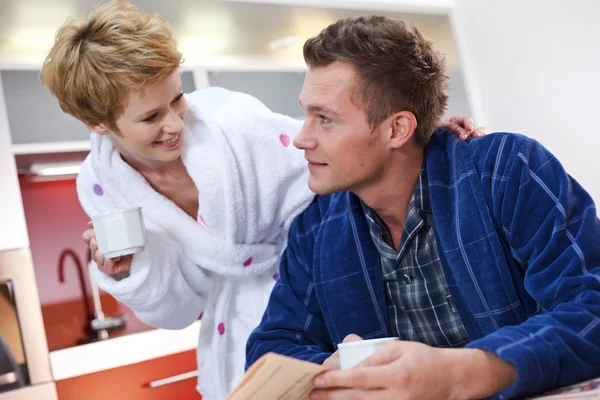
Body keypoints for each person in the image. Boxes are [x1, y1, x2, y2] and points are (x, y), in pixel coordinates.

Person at [39, 2, 479, 399]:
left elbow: (335, 147)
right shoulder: (102, 186)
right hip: (238, 328)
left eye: (177, 98)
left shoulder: (234, 124)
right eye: (151, 117)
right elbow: (178, 309)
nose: (174, 123)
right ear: (99, 124)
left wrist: (415, 133)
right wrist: (132, 272)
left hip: (319, 287)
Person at [245, 15, 600, 400]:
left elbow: (591, 306)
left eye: (325, 119)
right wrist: (325, 372)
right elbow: (270, 346)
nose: (301, 139)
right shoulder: (314, 228)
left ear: (397, 129)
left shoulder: (506, 170)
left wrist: (463, 373)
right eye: (306, 114)